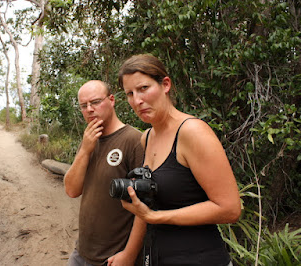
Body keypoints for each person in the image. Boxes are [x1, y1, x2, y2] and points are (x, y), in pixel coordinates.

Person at [117, 54, 242, 266]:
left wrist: (157, 217)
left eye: (144, 88)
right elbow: (146, 206)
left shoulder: (192, 132)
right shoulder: (147, 138)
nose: (137, 100)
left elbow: (230, 209)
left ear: (165, 84)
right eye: (130, 93)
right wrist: (128, 255)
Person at [64, 80, 147, 266]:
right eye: (83, 106)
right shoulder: (89, 140)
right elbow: (71, 190)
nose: (89, 109)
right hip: (82, 251)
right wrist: (85, 150)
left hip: (113, 257)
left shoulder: (133, 140)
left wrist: (129, 254)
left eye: (95, 102)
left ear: (111, 100)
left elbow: (145, 207)